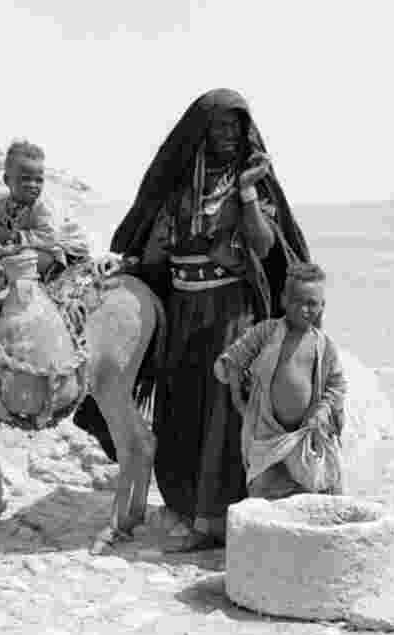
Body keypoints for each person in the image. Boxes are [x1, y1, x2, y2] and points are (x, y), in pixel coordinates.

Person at [72, 88, 312, 552]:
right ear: (199, 132)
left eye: (235, 126)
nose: (227, 135)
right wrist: (128, 264)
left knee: (222, 412)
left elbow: (263, 248)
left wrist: (244, 195)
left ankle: (213, 521)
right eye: (218, 125)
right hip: (183, 308)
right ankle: (185, 506)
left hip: (231, 311)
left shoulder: (253, 183)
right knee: (180, 408)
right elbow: (158, 249)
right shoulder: (182, 187)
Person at [214, 262, 346, 499]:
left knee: (316, 491)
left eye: (312, 304)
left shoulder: (324, 346)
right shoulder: (266, 332)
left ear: (323, 306)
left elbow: (336, 386)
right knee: (263, 489)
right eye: (298, 301)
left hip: (306, 434)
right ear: (284, 299)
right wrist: (236, 395)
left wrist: (322, 411)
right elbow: (234, 357)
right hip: (267, 434)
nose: (305, 309)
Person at [0, 140, 87, 280]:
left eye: (38, 180)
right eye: (25, 179)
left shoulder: (42, 207)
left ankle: (52, 274)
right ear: (7, 180)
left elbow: (50, 237)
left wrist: (16, 237)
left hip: (64, 251)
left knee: (25, 259)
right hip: (31, 246)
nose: (33, 185)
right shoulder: (0, 206)